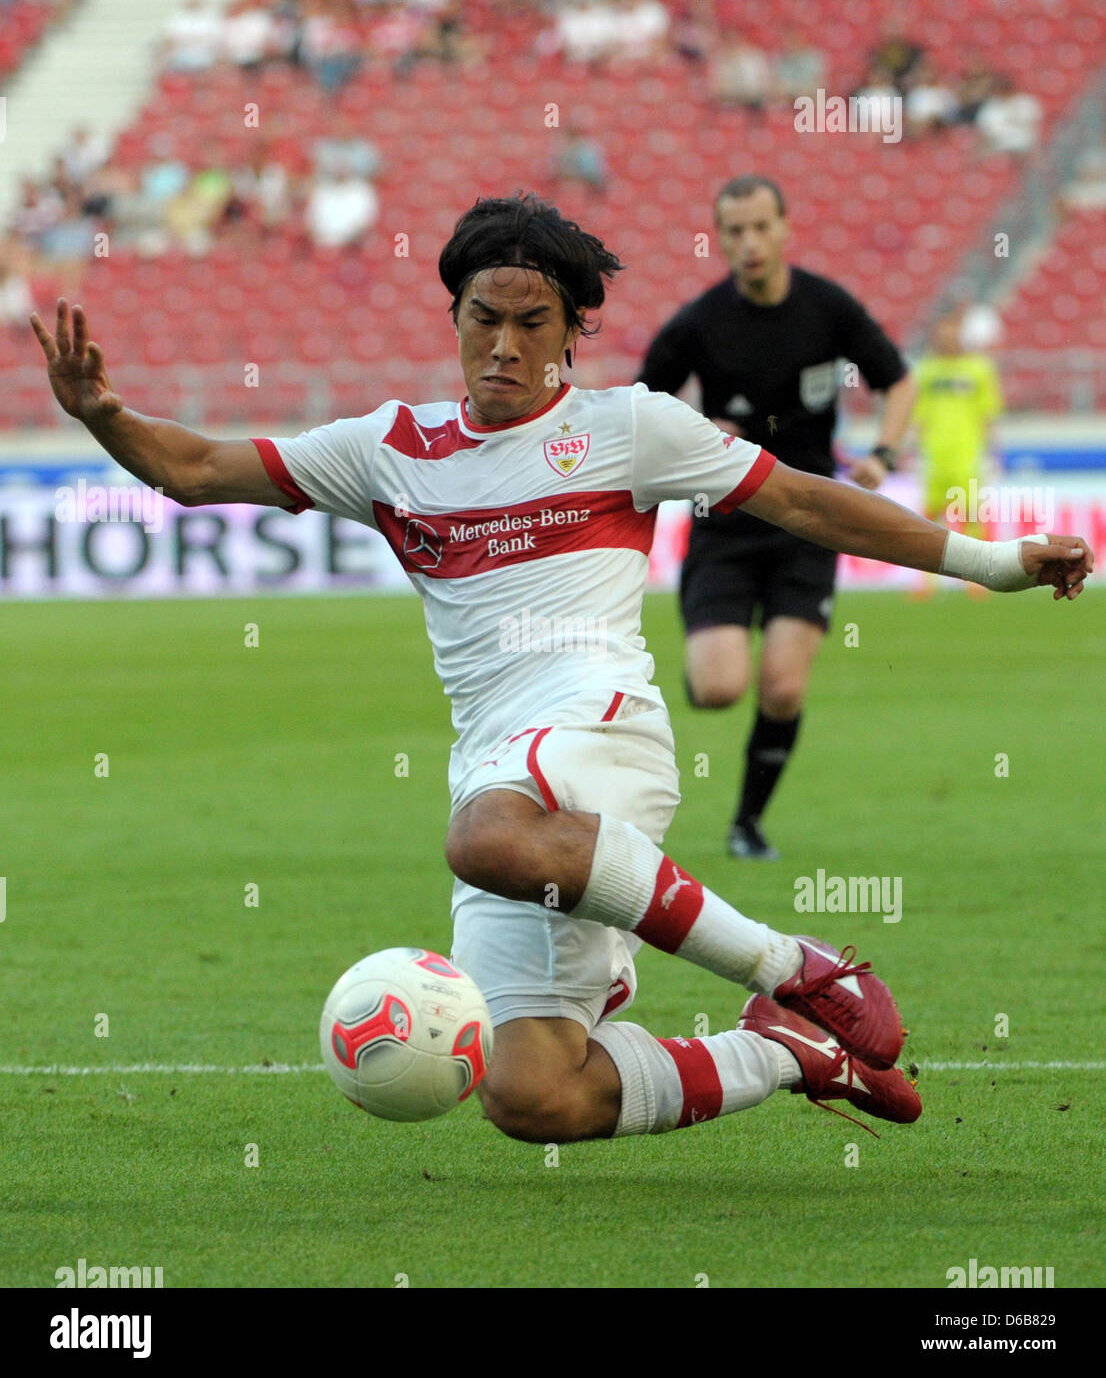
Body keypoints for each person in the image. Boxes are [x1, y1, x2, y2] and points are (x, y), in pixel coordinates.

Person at [30, 196, 1091, 1146]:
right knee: (533, 1093)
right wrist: (105, 416)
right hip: (497, 761)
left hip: (601, 728)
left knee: (485, 836)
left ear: (572, 333)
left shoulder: (626, 428)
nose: (501, 344)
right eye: (481, 317)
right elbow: (194, 468)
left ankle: (794, 969)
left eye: (530, 322)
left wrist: (989, 560)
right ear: (452, 318)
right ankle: (786, 1051)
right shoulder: (388, 449)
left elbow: (806, 501)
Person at [636, 175, 917, 861]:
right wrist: (698, 428)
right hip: (726, 521)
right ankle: (706, 662)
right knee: (717, 688)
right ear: (720, 238)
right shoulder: (699, 323)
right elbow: (639, 410)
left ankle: (747, 824)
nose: (749, 243)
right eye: (734, 231)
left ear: (786, 227)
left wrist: (883, 450)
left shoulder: (828, 308)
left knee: (784, 686)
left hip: (811, 519)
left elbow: (899, 380)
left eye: (761, 227)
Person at [911, 309, 1004, 598]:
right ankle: (926, 581)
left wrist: (992, 453)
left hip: (967, 456)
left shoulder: (979, 369)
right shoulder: (926, 371)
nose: (946, 339)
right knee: (929, 519)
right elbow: (919, 415)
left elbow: (988, 413)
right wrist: (913, 450)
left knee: (972, 516)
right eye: (941, 334)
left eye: (951, 334)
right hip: (935, 458)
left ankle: (980, 577)